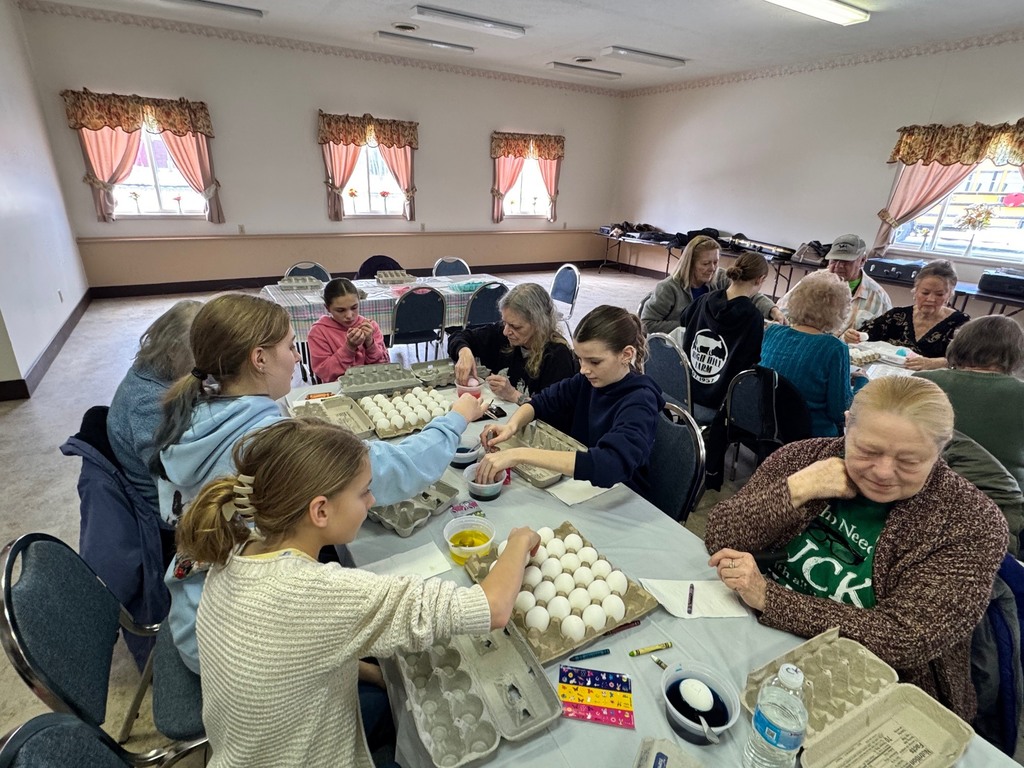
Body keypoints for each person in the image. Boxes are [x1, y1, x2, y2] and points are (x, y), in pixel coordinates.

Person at [151, 293, 488, 672]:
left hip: (193, 609)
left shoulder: (193, 414)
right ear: (259, 358)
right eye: (289, 346)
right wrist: (455, 418)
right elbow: (396, 468)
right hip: (235, 645)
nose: (297, 358)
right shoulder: (267, 442)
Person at [177, 418, 540, 768]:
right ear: (320, 510)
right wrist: (519, 541)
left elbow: (298, 656)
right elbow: (492, 608)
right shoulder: (318, 593)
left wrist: (377, 675)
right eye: (364, 491)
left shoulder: (235, 553)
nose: (372, 500)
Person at [704, 376, 1007, 721]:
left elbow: (904, 639)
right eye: (868, 451)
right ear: (847, 425)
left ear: (941, 449)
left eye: (909, 461)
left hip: (873, 689)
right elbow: (720, 536)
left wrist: (769, 598)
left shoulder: (971, 521)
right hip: (753, 639)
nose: (883, 472)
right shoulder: (804, 457)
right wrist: (798, 489)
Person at [476, 305, 664, 495]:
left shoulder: (640, 401)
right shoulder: (587, 380)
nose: (583, 369)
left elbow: (609, 464)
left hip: (621, 493)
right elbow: (540, 402)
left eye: (594, 361)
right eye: (580, 359)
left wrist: (519, 454)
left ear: (626, 354)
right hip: (584, 482)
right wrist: (511, 427)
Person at [107, 299, 203, 514]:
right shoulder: (148, 404)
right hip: (170, 511)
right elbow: (176, 485)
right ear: (173, 351)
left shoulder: (156, 370)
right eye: (200, 354)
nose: (208, 362)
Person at [917, 315, 1024, 495]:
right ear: (1017, 354)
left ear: (958, 344)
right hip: (1002, 496)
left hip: (926, 487)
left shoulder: (923, 381)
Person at [761, 271, 866, 437]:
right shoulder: (834, 348)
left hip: (766, 427)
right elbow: (840, 412)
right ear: (840, 311)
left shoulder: (772, 331)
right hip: (809, 437)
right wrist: (861, 381)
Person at [448, 282, 578, 404]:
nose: (506, 331)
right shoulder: (504, 335)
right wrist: (464, 352)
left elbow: (555, 412)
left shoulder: (557, 356)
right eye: (505, 322)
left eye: (516, 327)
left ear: (539, 324)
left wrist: (513, 395)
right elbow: (458, 337)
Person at [679, 251, 769, 422]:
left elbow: (683, 319)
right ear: (760, 279)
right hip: (719, 404)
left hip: (686, 392)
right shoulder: (753, 317)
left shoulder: (704, 300)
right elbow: (751, 364)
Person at [640, 235, 783, 335]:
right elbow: (646, 324)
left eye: (716, 262)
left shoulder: (720, 277)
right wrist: (695, 324)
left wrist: (773, 310)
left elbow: (748, 293)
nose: (712, 268)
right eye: (705, 264)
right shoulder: (668, 288)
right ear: (690, 264)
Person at [777, 234, 892, 340]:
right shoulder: (811, 282)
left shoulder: (879, 297)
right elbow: (781, 312)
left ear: (862, 261)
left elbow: (883, 340)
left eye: (846, 261)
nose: (839, 266)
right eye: (834, 260)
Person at [859, 259, 969, 370]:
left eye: (939, 294)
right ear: (915, 291)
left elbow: (968, 360)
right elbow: (865, 335)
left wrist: (935, 363)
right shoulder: (896, 316)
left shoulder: (960, 323)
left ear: (949, 295)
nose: (931, 299)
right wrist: (854, 336)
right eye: (925, 293)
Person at [307, 278, 389, 382]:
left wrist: (370, 344)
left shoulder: (370, 326)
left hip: (373, 383)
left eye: (354, 308)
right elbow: (325, 372)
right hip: (338, 387)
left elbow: (384, 366)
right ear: (327, 308)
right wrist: (349, 348)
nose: (349, 316)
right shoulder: (318, 332)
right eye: (340, 310)